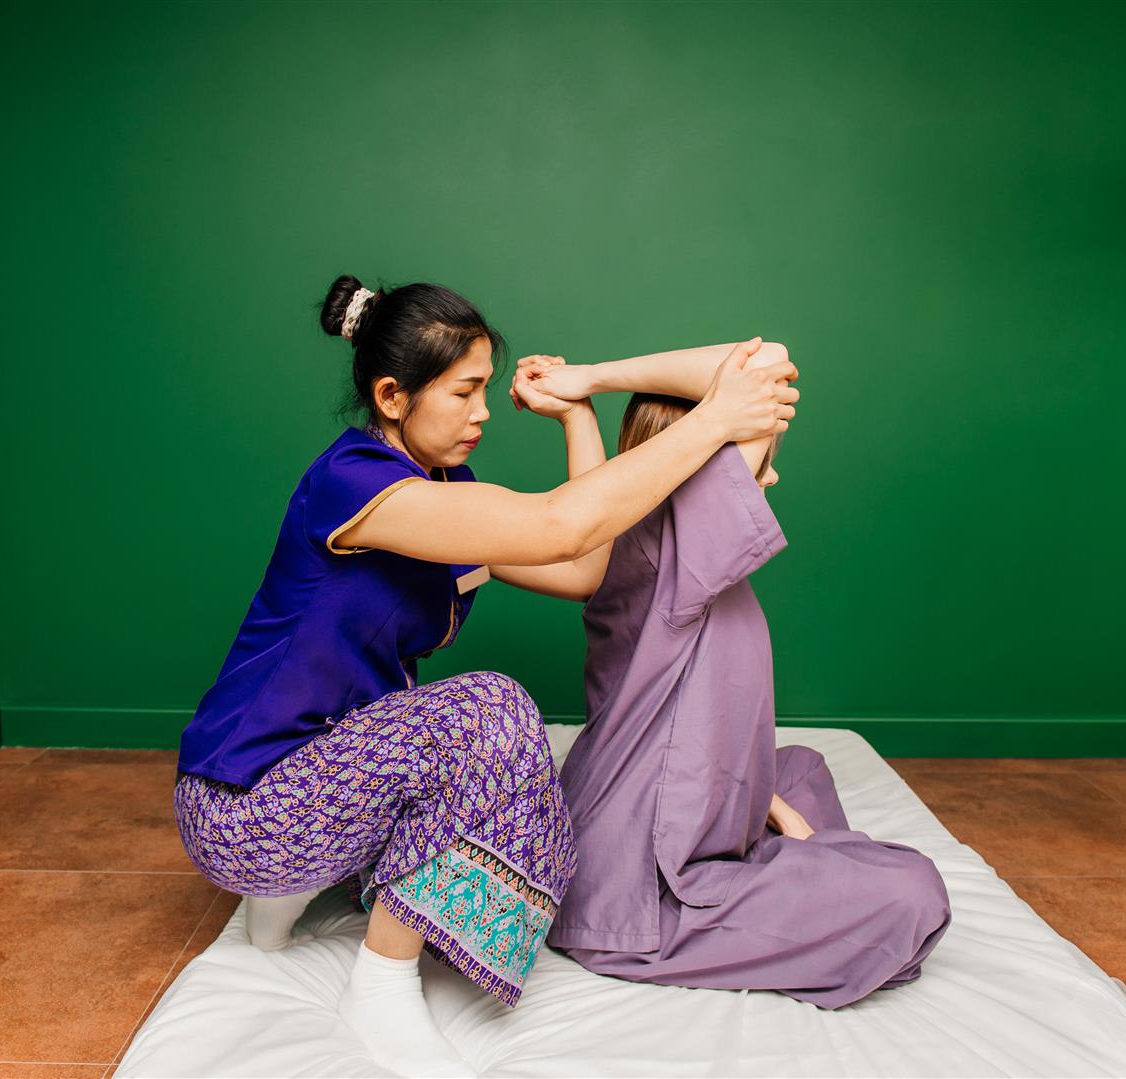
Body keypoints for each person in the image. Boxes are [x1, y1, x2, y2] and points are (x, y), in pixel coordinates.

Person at [171, 274, 799, 1076]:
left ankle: (286, 903)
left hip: (334, 787)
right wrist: (713, 423)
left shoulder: (443, 492)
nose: (484, 412)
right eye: (466, 392)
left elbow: (580, 567)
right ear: (393, 395)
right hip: (244, 806)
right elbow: (559, 522)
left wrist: (583, 396)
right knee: (489, 709)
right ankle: (381, 981)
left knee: (497, 756)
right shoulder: (355, 482)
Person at [510, 355, 953, 1009]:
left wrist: (577, 414)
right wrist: (589, 380)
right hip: (637, 897)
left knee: (798, 767)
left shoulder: (641, 533)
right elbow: (765, 363)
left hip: (614, 814)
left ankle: (791, 862)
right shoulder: (678, 537)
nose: (771, 472)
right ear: (703, 472)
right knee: (913, 894)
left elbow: (595, 489)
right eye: (758, 457)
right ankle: (793, 878)